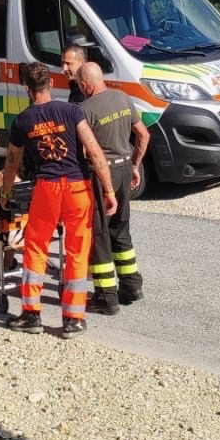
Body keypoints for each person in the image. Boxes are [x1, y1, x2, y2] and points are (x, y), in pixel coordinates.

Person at [0, 61, 116, 336]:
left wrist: (6, 195)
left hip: (47, 188)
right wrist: (109, 190)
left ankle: (31, 314)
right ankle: (73, 319)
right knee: (77, 251)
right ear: (50, 84)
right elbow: (94, 152)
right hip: (78, 188)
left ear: (26, 88)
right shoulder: (72, 111)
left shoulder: (23, 121)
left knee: (36, 248)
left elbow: (11, 164)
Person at [77, 62, 148, 313]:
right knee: (121, 229)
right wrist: (135, 166)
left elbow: (87, 151)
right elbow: (143, 135)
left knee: (100, 234)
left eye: (79, 84)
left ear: (85, 84)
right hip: (124, 168)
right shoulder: (122, 97)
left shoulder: (84, 110)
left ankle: (106, 297)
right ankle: (131, 285)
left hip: (101, 174)